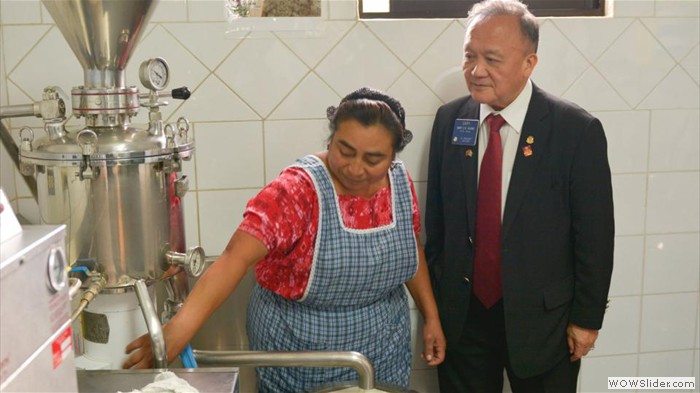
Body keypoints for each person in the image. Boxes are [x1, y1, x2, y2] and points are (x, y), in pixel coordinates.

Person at [124, 87, 446, 392]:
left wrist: (431, 317)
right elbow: (234, 258)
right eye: (344, 151)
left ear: (393, 157)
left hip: (382, 349)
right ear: (331, 138)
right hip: (300, 353)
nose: (355, 168)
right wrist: (173, 336)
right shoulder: (297, 190)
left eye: (372, 159)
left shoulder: (399, 183)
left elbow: (409, 247)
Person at [424, 0, 614, 391]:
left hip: (546, 322)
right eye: (469, 57)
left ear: (529, 63)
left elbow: (595, 236)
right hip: (464, 319)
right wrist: (438, 311)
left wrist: (587, 319)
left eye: (492, 59)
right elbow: (438, 223)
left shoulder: (575, 130)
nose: (476, 71)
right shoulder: (451, 121)